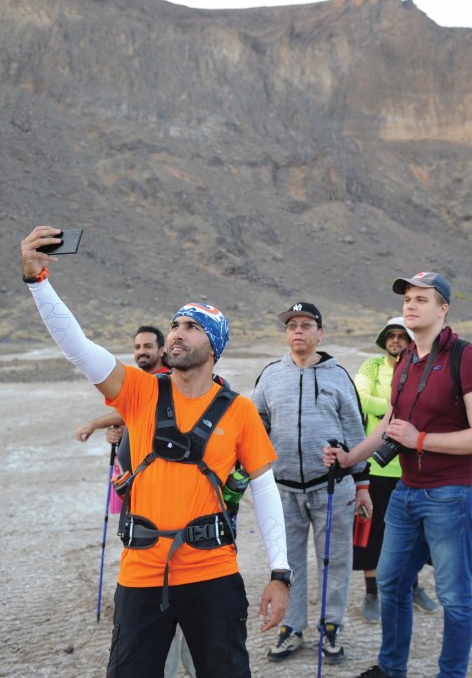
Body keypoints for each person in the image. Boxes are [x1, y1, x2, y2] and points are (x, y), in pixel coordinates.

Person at [21, 226, 291, 678]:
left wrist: (280, 574)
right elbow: (78, 349)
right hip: (141, 574)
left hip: (213, 573)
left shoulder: (240, 411)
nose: (177, 333)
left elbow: (265, 492)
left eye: (192, 326)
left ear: (214, 345)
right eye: (175, 324)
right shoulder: (139, 393)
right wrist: (38, 280)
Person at [324, 272, 472, 678]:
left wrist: (421, 440)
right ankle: (391, 669)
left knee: (454, 597)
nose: (411, 305)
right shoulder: (405, 361)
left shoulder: (468, 357)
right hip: (407, 492)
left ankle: (450, 674)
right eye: (407, 299)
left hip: (454, 495)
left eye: (422, 299)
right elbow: (388, 423)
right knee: (391, 583)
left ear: (443, 309)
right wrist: (350, 458)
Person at [251, 302, 372, 665]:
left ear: (320, 333)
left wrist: (363, 485)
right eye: (292, 326)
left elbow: (356, 431)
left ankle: (331, 626)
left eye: (306, 325)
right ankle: (292, 626)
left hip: (332, 488)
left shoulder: (339, 377)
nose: (298, 331)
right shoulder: (271, 375)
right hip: (283, 489)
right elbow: (255, 425)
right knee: (288, 563)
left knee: (334, 560)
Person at [75, 325, 198, 678]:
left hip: (168, 515)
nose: (142, 351)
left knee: (175, 596)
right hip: (139, 503)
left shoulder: (164, 380)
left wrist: (99, 423)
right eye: (137, 347)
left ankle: (182, 663)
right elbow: (133, 415)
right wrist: (121, 430)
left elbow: (139, 409)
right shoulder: (142, 381)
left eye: (148, 346)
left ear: (162, 351)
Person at [352, 317, 438, 623]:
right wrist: (398, 408)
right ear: (384, 340)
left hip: (410, 468)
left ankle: (413, 587)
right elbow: (360, 399)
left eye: (403, 335)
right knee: (372, 533)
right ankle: (372, 593)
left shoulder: (424, 366)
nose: (397, 340)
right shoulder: (371, 367)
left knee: (413, 534)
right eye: (391, 336)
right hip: (376, 466)